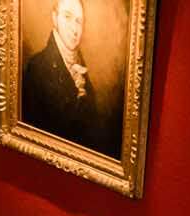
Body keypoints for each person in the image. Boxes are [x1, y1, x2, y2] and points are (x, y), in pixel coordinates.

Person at [21, 0, 119, 157]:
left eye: (79, 21)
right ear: (54, 18)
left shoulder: (80, 65)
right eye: (67, 17)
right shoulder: (36, 66)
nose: (75, 29)